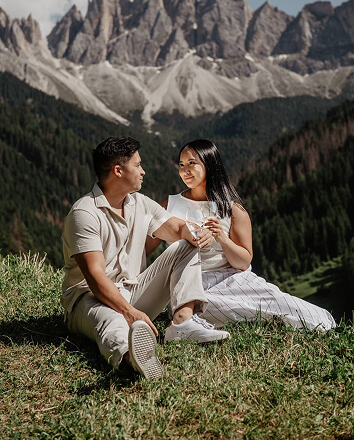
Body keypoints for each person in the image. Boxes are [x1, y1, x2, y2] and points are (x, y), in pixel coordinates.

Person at [61, 137, 230, 380]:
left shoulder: (140, 203)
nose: (143, 171)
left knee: (185, 244)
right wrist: (129, 312)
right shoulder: (84, 213)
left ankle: (182, 322)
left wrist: (194, 232)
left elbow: (175, 228)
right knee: (110, 320)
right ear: (118, 171)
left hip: (134, 291)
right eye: (138, 165)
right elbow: (96, 279)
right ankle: (133, 357)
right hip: (88, 299)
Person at [146, 139, 336, 332]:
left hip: (231, 280)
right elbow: (145, 249)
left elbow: (243, 262)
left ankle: (324, 325)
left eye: (192, 163)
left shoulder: (233, 209)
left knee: (287, 307)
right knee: (208, 308)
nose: (185, 170)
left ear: (210, 165)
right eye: (181, 164)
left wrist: (222, 238)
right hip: (189, 286)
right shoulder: (168, 205)